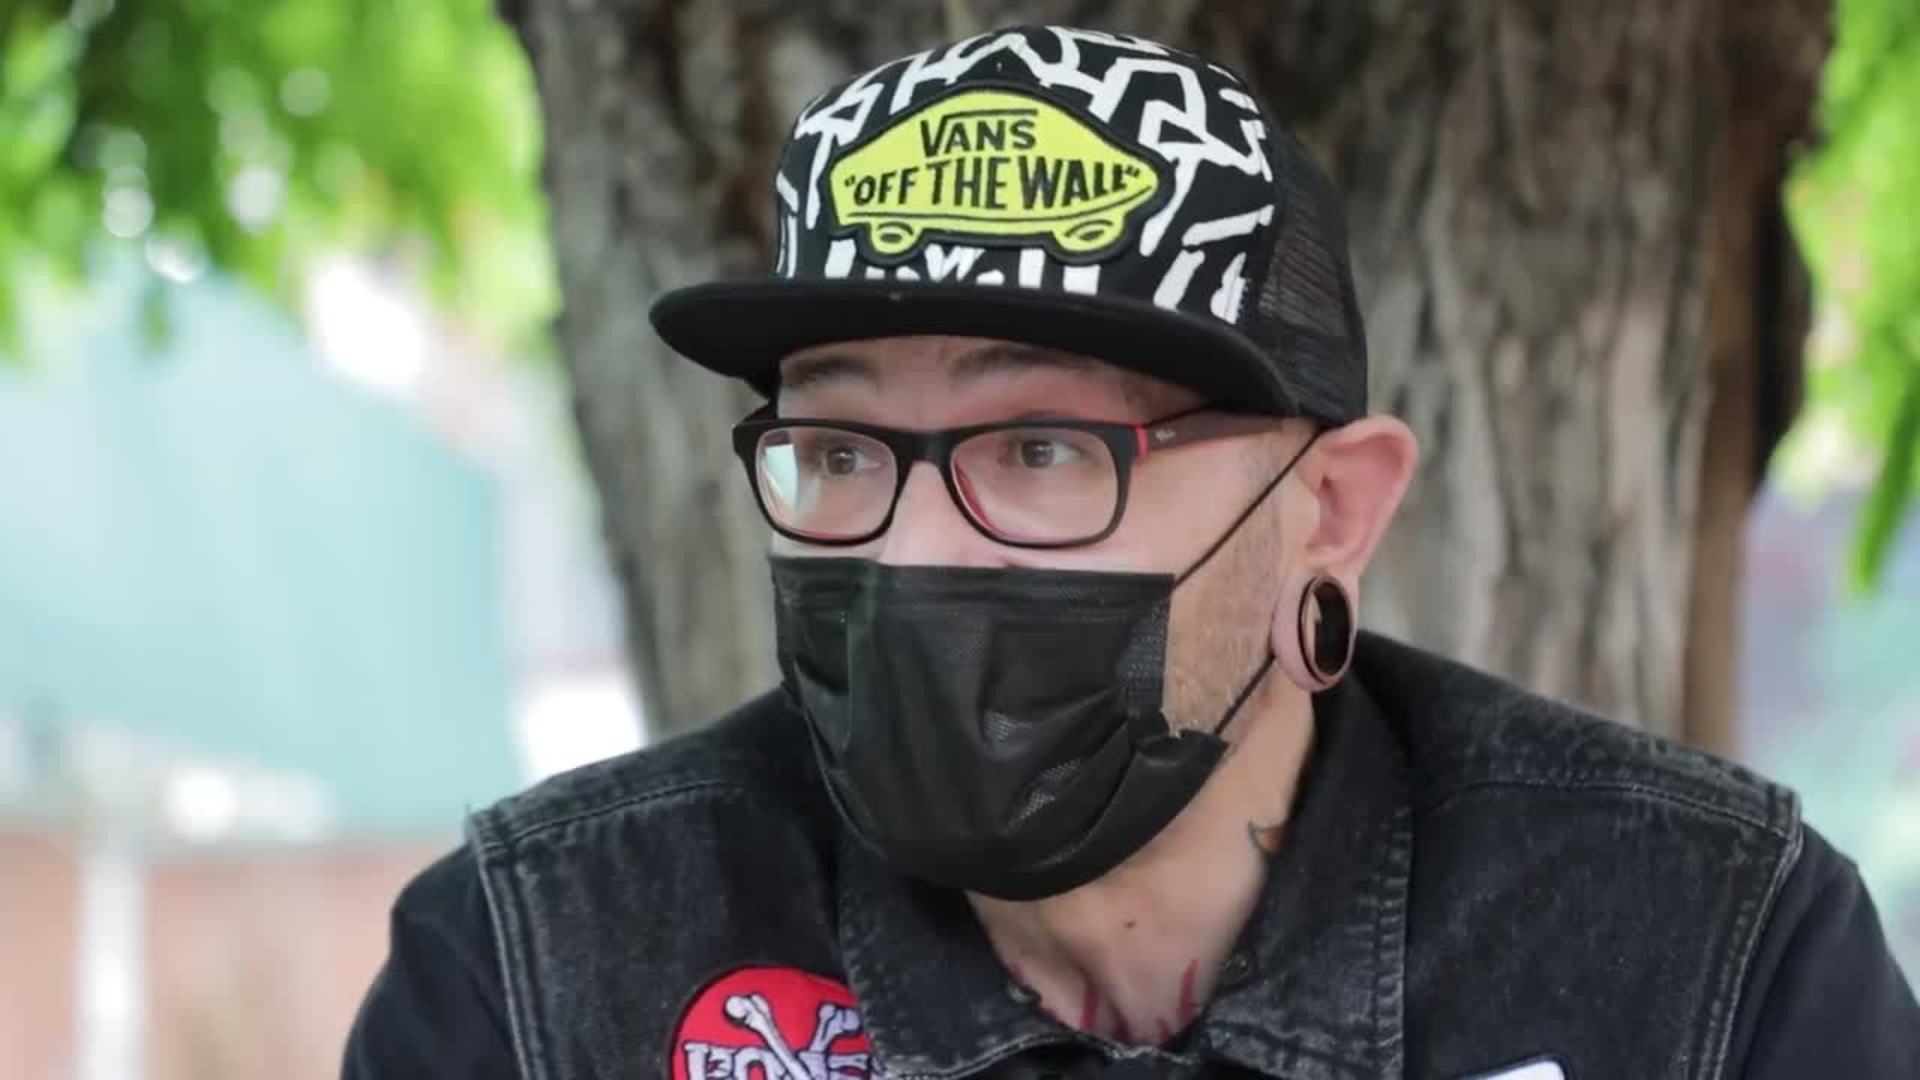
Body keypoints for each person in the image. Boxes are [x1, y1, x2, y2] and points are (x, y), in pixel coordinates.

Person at [343, 25, 1919, 1080]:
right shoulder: (542, 973)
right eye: (838, 450)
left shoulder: (1710, 957)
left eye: (1041, 449)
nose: (913, 549)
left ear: (1331, 509)